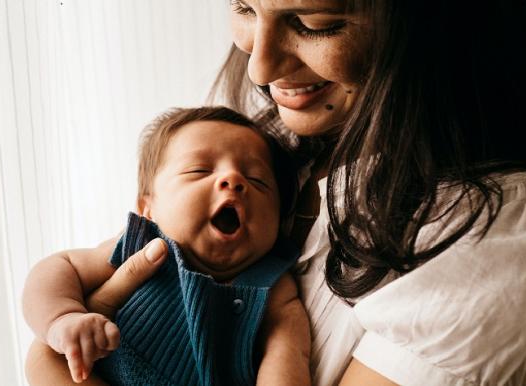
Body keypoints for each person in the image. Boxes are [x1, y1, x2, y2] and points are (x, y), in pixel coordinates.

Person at [26, 0, 526, 385]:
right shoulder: (295, 148)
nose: (260, 69)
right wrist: (60, 330)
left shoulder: (492, 217)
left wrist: (54, 368)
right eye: (244, 6)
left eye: (315, 21)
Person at [22, 107, 310, 386]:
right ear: (147, 207)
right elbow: (60, 267)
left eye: (257, 180)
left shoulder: (273, 288)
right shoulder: (140, 247)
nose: (232, 180)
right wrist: (63, 318)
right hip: (108, 370)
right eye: (199, 170)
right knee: (44, 365)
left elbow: (287, 355)